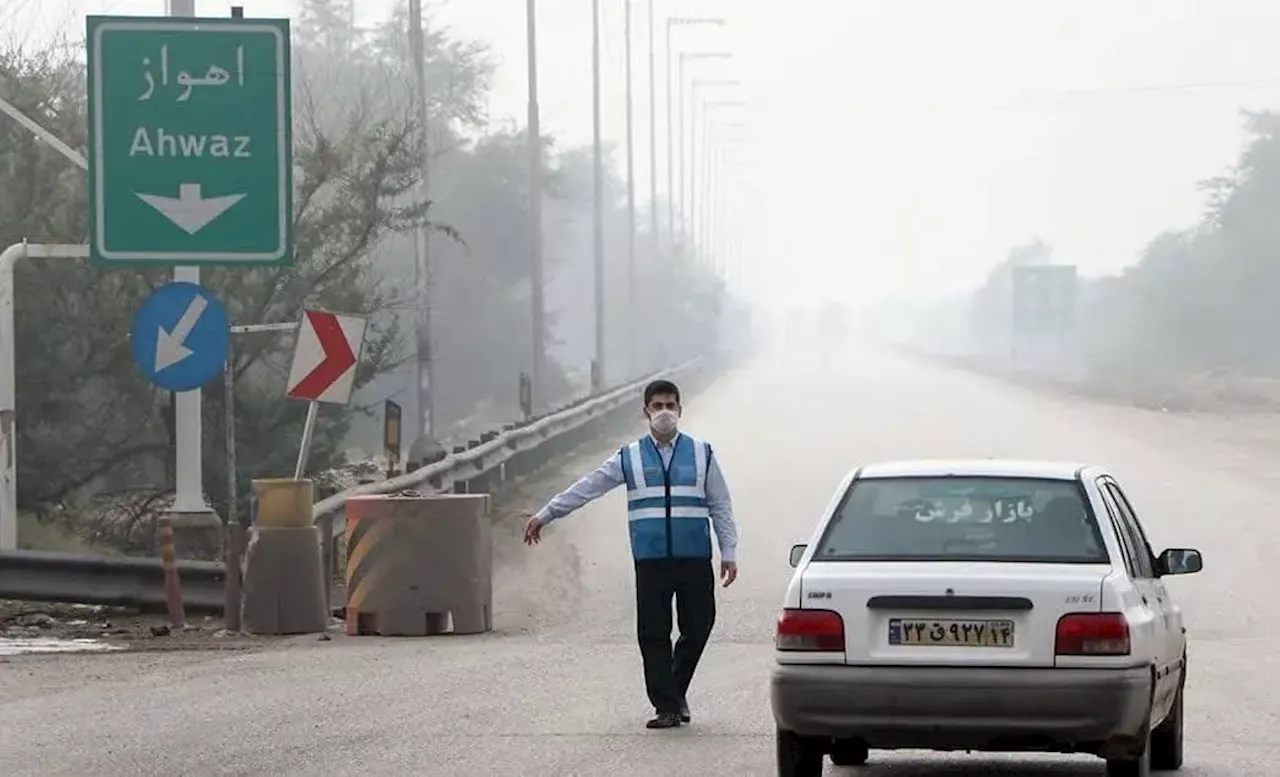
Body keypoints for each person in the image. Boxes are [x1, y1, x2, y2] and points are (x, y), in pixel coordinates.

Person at [523, 379, 739, 730]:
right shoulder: (630, 456)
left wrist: (728, 550)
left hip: (694, 557)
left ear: (680, 411)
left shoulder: (703, 453)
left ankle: (674, 688)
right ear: (646, 412)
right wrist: (547, 513)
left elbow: (720, 504)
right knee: (653, 634)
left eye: (670, 405)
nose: (664, 412)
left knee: (699, 626)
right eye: (657, 406)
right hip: (651, 559)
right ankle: (667, 707)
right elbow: (588, 487)